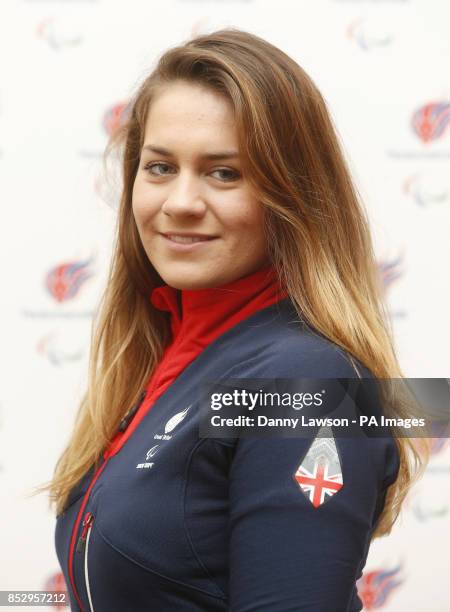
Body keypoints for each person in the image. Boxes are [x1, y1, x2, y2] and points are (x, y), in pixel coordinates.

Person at [34, 28, 427, 611]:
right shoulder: (172, 356)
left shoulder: (303, 385)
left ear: (291, 195)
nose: (182, 202)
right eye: (160, 167)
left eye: (224, 173)